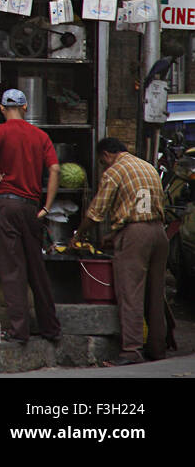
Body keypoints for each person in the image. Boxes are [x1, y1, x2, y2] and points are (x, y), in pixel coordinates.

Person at [73, 138, 175, 365]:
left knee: (130, 292)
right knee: (155, 293)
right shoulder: (146, 166)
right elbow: (142, 208)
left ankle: (131, 350)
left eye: (102, 161)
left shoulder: (115, 171)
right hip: (159, 233)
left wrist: (78, 234)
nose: (103, 165)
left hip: (136, 236)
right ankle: (157, 348)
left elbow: (96, 212)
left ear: (107, 154)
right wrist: (117, 235)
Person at [0, 88, 62, 345]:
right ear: (25, 108)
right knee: (37, 269)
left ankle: (19, 330)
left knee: (13, 269)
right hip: (31, 208)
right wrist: (46, 207)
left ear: (2, 109)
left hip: (5, 206)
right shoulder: (40, 135)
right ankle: (51, 328)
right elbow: (55, 169)